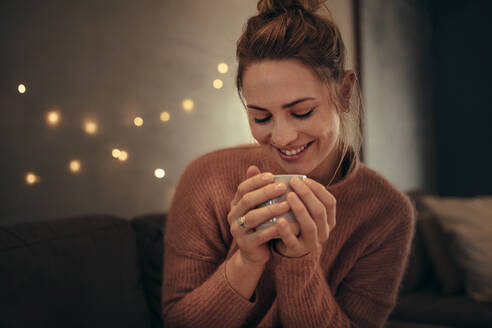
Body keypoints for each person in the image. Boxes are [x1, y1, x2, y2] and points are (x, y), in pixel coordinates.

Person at [161, 0, 415, 327]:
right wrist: (246, 261)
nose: (281, 138)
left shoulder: (386, 212)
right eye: (261, 117)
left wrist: (298, 263)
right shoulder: (207, 179)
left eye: (301, 112)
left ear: (344, 93)